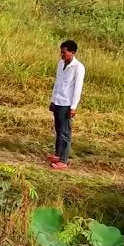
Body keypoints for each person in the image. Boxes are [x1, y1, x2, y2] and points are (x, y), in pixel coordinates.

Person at [48, 40, 85, 170]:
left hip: (67, 104)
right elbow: (57, 83)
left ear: (72, 52)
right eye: (61, 52)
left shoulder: (78, 68)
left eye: (64, 52)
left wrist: (73, 106)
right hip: (58, 101)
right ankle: (58, 154)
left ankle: (63, 160)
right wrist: (53, 100)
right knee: (58, 130)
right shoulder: (60, 64)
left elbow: (77, 89)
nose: (62, 55)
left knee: (65, 132)